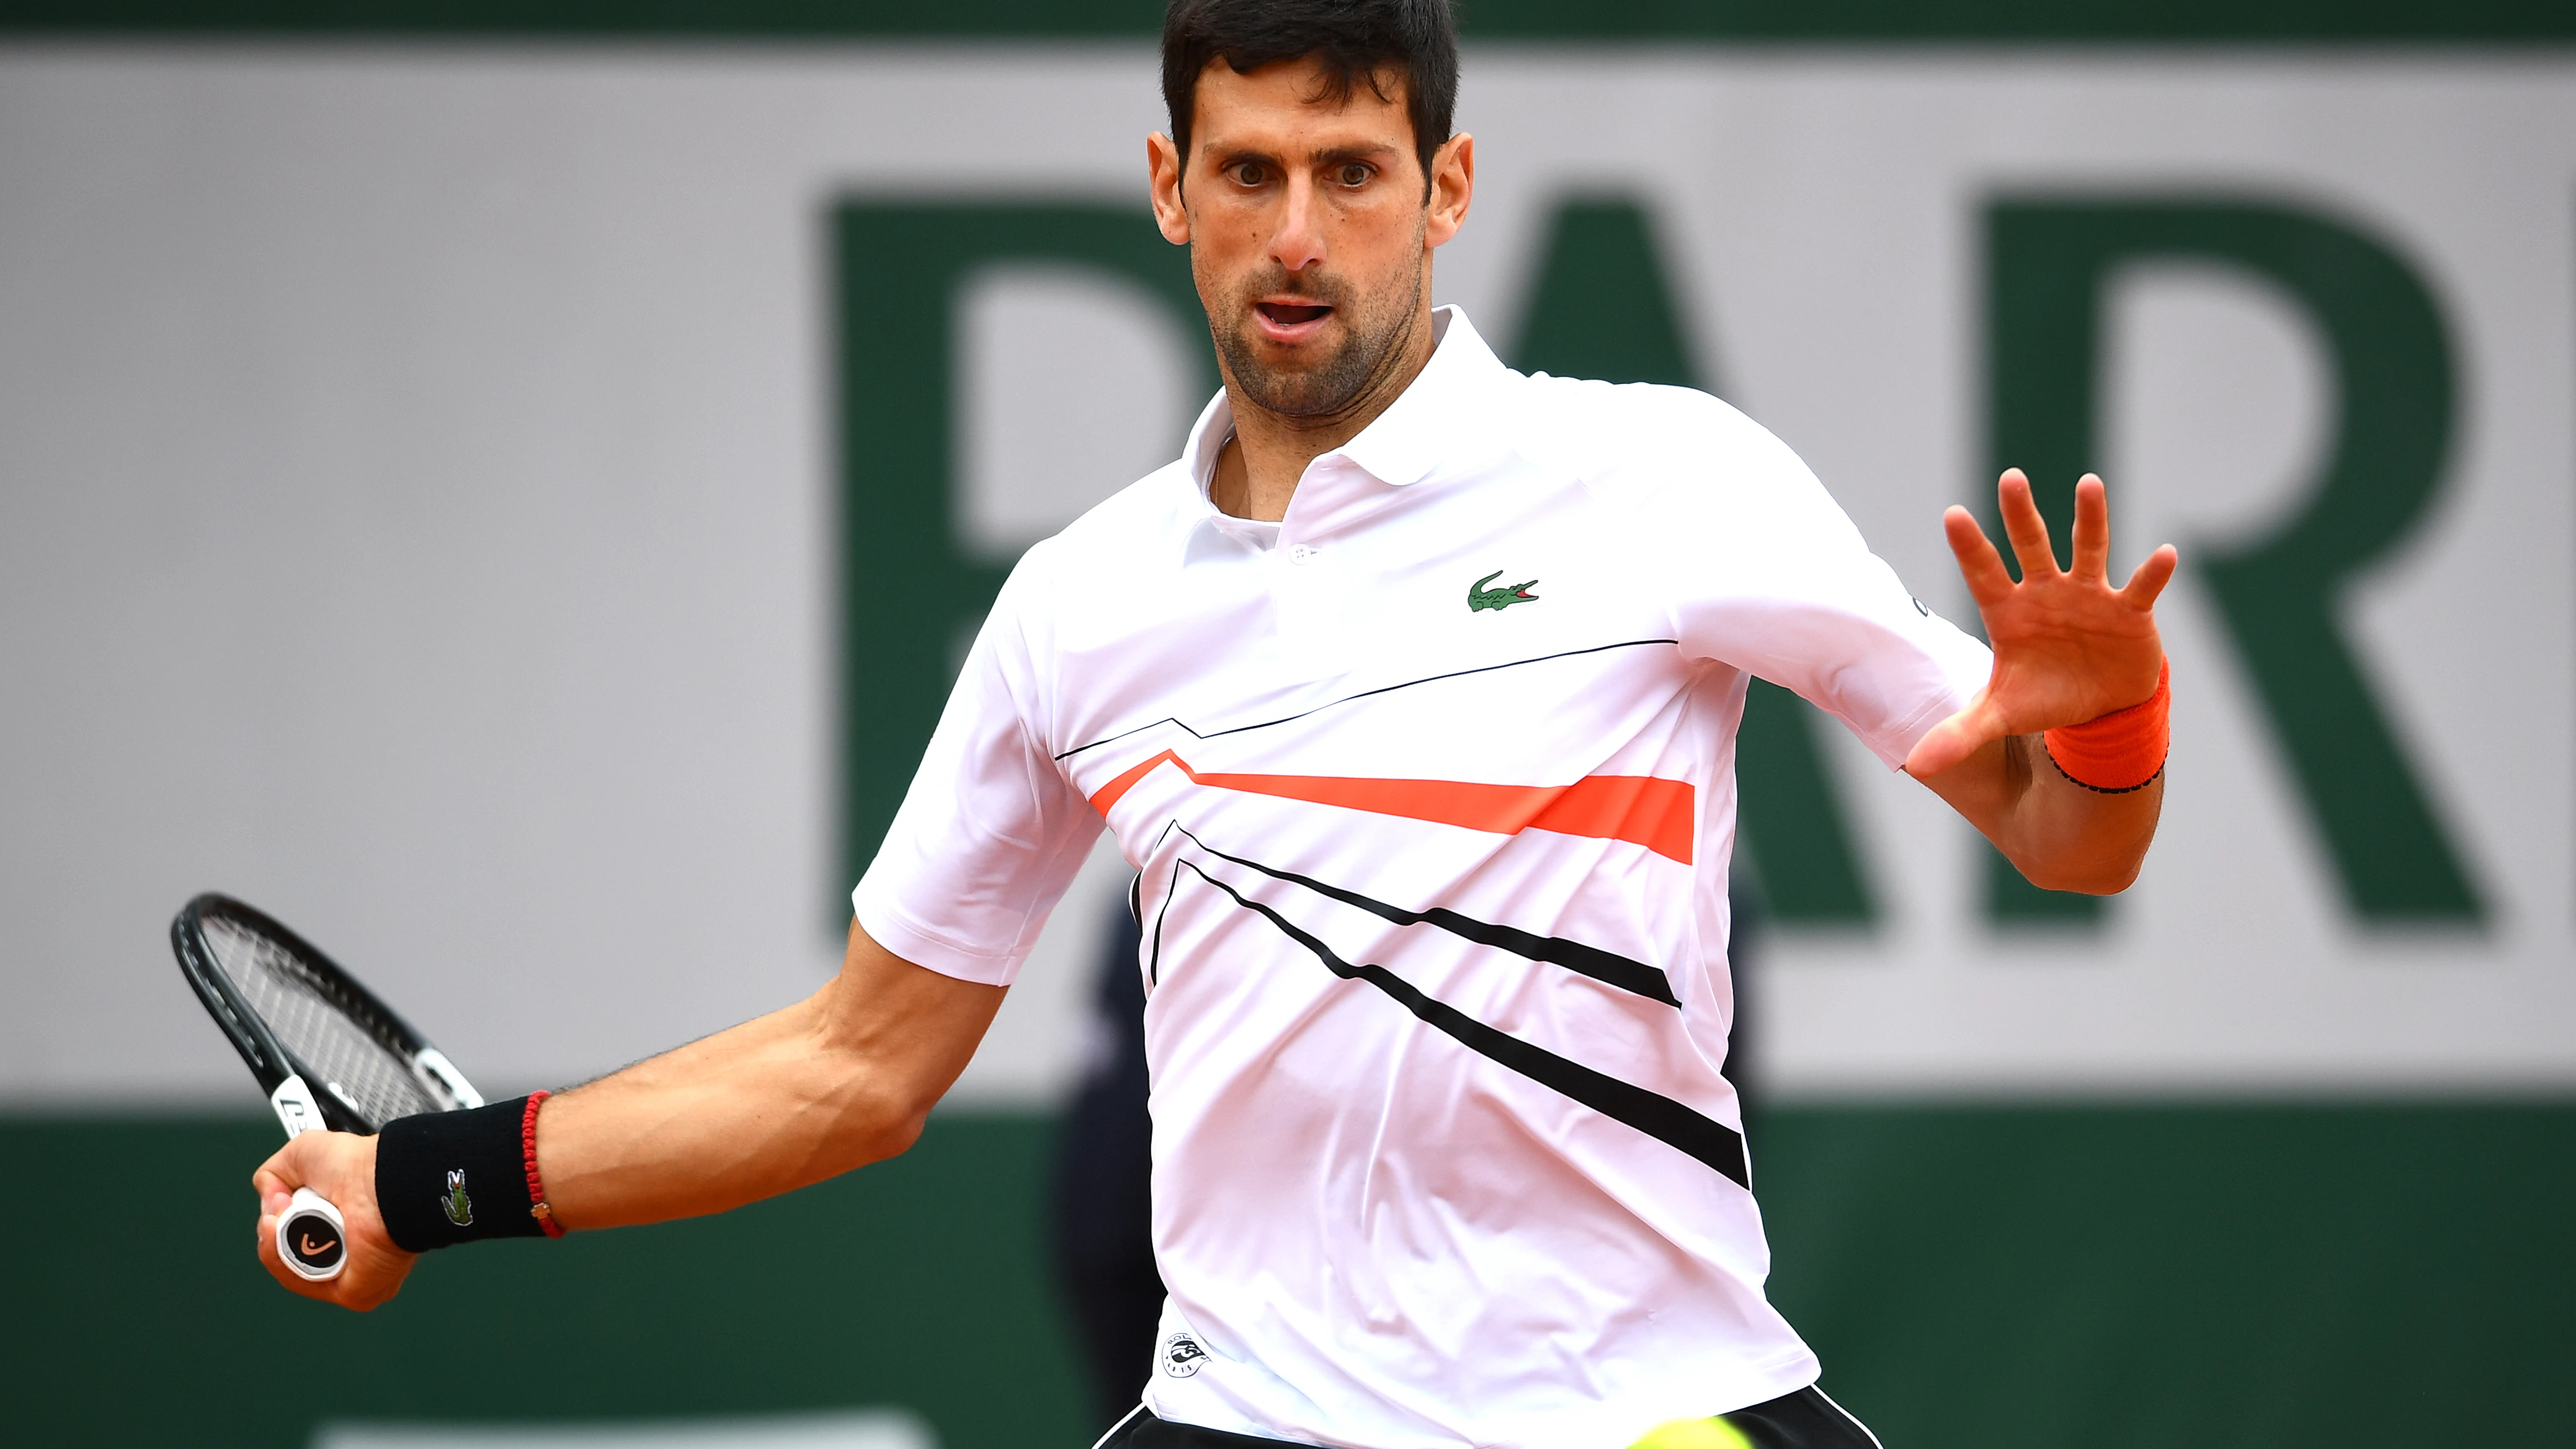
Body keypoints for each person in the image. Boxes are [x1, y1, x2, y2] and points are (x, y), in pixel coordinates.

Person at [252, 2, 2178, 1445]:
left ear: (1446, 188)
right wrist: (427, 1181)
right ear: (1171, 187)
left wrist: (2111, 726)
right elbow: (859, 1064)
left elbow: (2070, 841)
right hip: (1250, 1413)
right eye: (1248, 170)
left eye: (1353, 173)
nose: (1299, 234)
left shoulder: (1662, 477)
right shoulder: (1081, 606)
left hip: (1649, 1407)